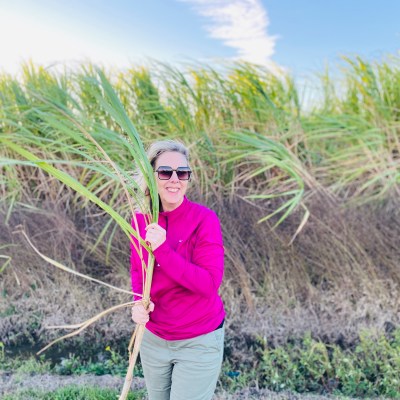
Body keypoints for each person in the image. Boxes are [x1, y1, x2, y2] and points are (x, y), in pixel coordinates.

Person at [130, 140, 225, 400]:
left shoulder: (205, 220)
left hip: (198, 339)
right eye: (165, 172)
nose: (175, 179)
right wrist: (138, 303)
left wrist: (161, 249)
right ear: (152, 175)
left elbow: (208, 284)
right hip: (154, 339)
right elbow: (139, 272)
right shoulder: (141, 219)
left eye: (182, 173)